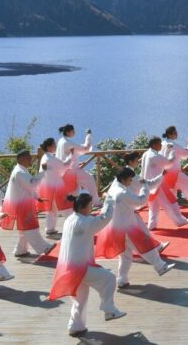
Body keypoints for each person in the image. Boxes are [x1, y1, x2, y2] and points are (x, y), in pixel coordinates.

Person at [49, 193, 126, 337]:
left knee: (80, 299)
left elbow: (96, 219)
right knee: (109, 279)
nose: (92, 207)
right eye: (90, 205)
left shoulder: (71, 219)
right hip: (79, 267)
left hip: (68, 267)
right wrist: (109, 199)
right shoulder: (85, 223)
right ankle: (109, 309)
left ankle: (75, 326)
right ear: (84, 207)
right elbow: (105, 218)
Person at [96, 168, 175, 288]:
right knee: (146, 245)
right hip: (126, 227)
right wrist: (145, 186)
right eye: (130, 179)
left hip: (114, 227)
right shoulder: (122, 193)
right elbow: (140, 201)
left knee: (125, 255)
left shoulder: (113, 189)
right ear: (123, 179)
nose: (131, 181)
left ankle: (122, 280)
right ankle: (160, 266)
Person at [1, 150, 55, 257]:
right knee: (30, 227)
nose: (31, 159)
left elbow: (27, 187)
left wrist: (37, 197)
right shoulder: (20, 172)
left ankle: (20, 250)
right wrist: (42, 173)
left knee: (24, 229)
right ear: (21, 159)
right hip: (23, 205)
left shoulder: (21, 170)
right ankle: (44, 247)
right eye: (28, 158)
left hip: (24, 203)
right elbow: (32, 184)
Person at [140, 137, 188, 230]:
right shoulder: (154, 156)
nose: (161, 146)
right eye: (159, 144)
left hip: (148, 184)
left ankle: (152, 224)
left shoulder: (146, 154)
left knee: (153, 205)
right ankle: (180, 220)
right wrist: (171, 150)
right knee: (171, 202)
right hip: (158, 183)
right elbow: (169, 162)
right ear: (154, 145)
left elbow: (158, 161)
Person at [57, 124, 100, 207]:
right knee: (90, 179)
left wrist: (78, 163)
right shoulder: (68, 142)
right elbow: (85, 148)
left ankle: (73, 205)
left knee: (73, 190)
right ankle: (96, 202)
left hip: (64, 170)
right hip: (72, 171)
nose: (74, 132)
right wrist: (89, 136)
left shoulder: (61, 141)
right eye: (73, 131)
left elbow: (65, 156)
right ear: (68, 132)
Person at [37, 137, 73, 238]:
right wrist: (71, 154)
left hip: (46, 185)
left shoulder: (45, 157)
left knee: (51, 209)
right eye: (54, 145)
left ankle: (50, 229)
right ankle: (71, 226)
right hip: (56, 185)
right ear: (49, 147)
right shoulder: (51, 158)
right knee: (66, 205)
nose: (56, 146)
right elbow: (65, 165)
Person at [162, 126, 188, 208]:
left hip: (164, 171)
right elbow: (186, 154)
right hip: (173, 172)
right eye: (175, 133)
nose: (177, 134)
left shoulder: (163, 143)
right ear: (170, 134)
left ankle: (172, 205)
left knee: (172, 188)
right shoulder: (173, 144)